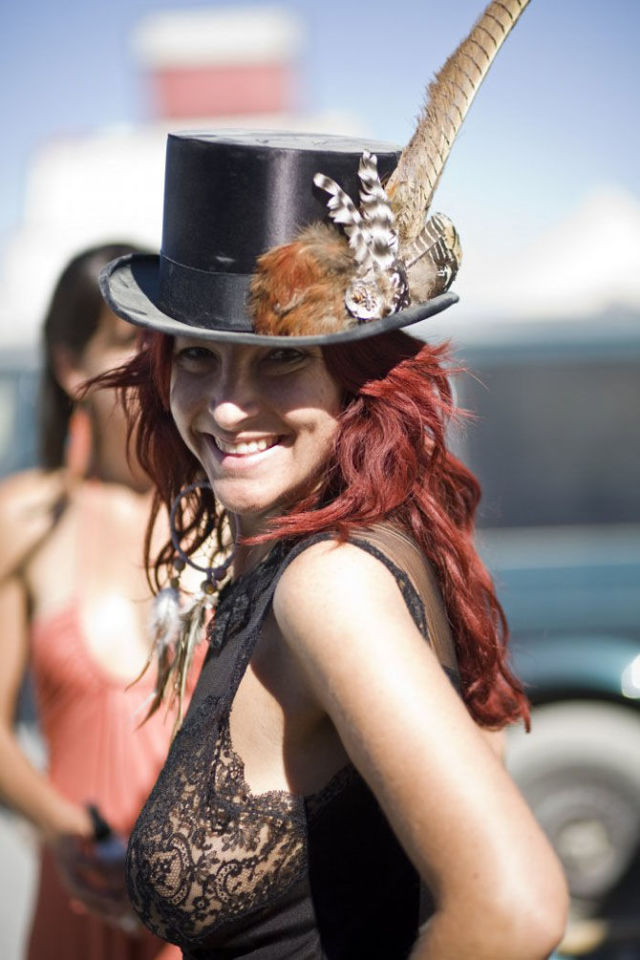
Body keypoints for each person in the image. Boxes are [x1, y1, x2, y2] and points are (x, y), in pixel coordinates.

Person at [96, 5, 569, 957]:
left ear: (358, 377)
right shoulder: (315, 542)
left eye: (279, 363)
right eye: (196, 357)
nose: (227, 407)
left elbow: (511, 909)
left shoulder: (331, 585)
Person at [0, 244, 186, 960]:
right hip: (80, 890)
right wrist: (65, 830)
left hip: (200, 905)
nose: (155, 368)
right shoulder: (27, 521)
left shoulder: (223, 518)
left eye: (168, 344)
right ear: (71, 367)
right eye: (129, 346)